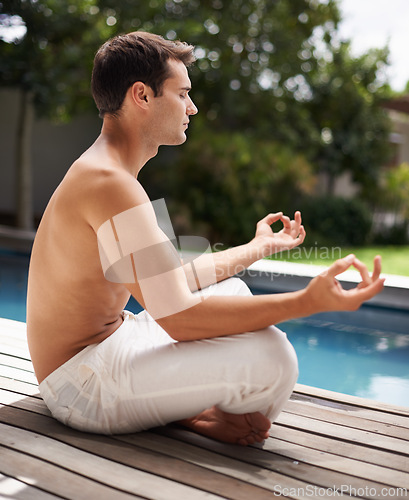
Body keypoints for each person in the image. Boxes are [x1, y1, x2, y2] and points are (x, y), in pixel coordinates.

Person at [26, 31, 384, 446]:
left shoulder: (107, 173)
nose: (192, 108)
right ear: (141, 96)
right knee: (273, 357)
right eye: (182, 94)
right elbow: (177, 319)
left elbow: (172, 281)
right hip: (80, 386)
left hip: (106, 350)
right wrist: (307, 301)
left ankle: (186, 416)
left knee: (232, 291)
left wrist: (257, 248)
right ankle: (192, 414)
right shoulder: (110, 183)